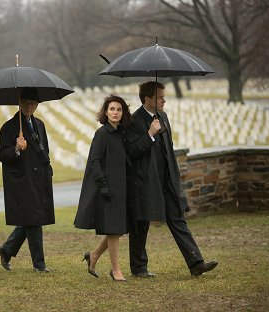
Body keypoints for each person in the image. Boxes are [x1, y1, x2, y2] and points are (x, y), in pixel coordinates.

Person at [127, 81, 218, 277]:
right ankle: (139, 268)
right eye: (160, 97)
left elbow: (168, 149)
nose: (164, 100)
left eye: (163, 96)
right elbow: (132, 152)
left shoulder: (164, 117)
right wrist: (150, 134)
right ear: (147, 99)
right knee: (141, 223)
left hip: (167, 179)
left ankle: (196, 262)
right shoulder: (134, 121)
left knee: (177, 218)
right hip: (146, 181)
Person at [74, 95, 132, 282]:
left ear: (123, 113)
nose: (115, 112)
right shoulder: (102, 134)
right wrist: (103, 185)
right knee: (114, 230)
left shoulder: (122, 133)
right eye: (112, 109)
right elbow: (94, 161)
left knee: (118, 229)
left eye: (119, 109)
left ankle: (94, 255)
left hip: (122, 187)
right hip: (107, 188)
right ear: (105, 112)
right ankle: (116, 270)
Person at [0, 88, 54, 273]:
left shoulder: (40, 124)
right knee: (34, 220)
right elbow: (2, 155)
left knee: (31, 219)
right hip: (21, 180)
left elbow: (44, 149)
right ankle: (39, 264)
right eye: (27, 102)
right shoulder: (9, 127)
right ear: (20, 103)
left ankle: (6, 250)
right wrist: (16, 148)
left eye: (33, 103)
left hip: (38, 178)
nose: (30, 106)